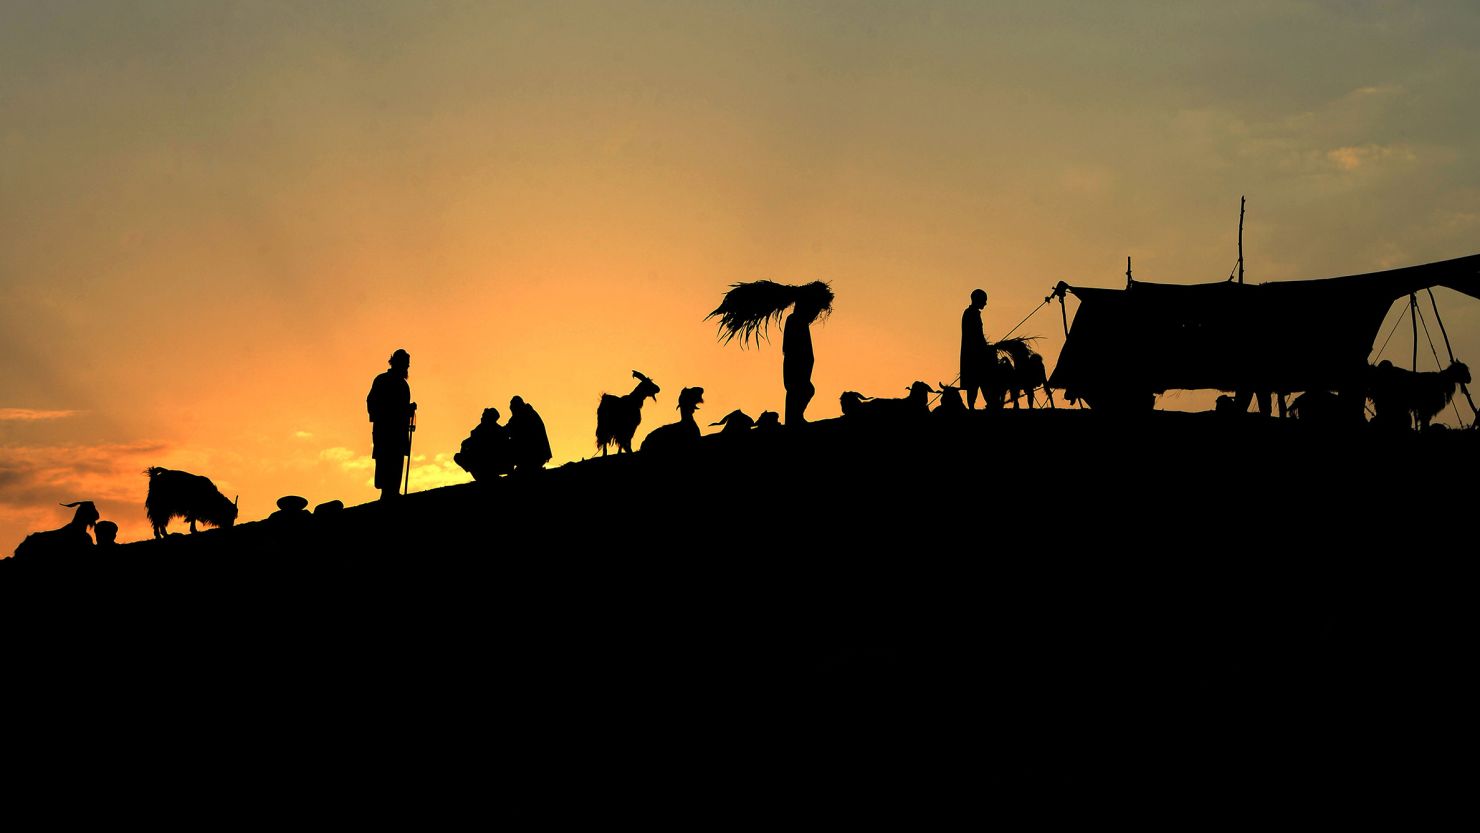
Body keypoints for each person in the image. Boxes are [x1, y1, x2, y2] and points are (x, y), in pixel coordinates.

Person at [708, 280, 835, 426]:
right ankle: (794, 421)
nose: (815, 314)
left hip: (801, 371)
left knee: (805, 390)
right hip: (795, 370)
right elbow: (791, 349)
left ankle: (795, 419)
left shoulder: (799, 322)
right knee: (801, 391)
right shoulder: (795, 321)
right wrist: (798, 366)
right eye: (815, 309)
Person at [367, 349, 416, 501]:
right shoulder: (382, 380)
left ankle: (392, 493)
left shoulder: (403, 385)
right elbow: (372, 403)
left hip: (398, 432)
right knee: (386, 460)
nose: (406, 369)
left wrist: (408, 411)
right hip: (386, 431)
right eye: (405, 365)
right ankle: (387, 494)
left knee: (396, 460)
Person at [455, 407, 513, 481]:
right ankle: (484, 476)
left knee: (475, 458)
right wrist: (465, 444)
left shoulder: (498, 431)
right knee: (459, 457)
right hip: (483, 461)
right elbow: (469, 441)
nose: (481, 418)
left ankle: (488, 476)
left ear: (489, 418)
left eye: (484, 416)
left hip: (494, 461)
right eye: (482, 416)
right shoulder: (479, 429)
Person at [961, 289, 992, 410]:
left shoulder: (970, 313)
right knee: (980, 382)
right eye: (984, 301)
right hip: (975, 356)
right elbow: (977, 335)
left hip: (972, 354)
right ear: (978, 300)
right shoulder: (971, 314)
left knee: (976, 384)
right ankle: (975, 408)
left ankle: (974, 408)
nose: (985, 304)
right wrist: (985, 348)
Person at [507, 396, 552, 473]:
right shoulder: (525, 413)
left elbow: (510, 430)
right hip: (536, 454)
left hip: (535, 454)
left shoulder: (525, 415)